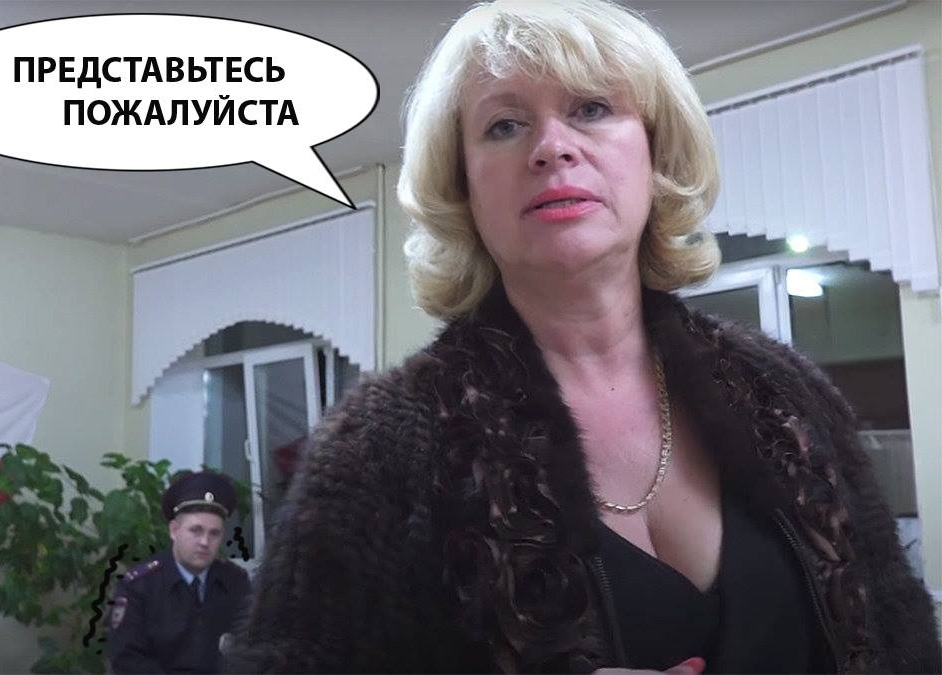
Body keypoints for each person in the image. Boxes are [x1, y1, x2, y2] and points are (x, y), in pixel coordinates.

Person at [226, 1, 941, 673]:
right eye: (505, 125)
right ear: (463, 186)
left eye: (591, 109)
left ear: (655, 153)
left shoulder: (787, 394)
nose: (551, 148)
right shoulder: (381, 446)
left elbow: (905, 640)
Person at [108, 470, 251, 674]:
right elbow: (127, 661)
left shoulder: (235, 582)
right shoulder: (140, 586)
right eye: (196, 530)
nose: (205, 542)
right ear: (174, 530)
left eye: (214, 533)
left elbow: (250, 648)